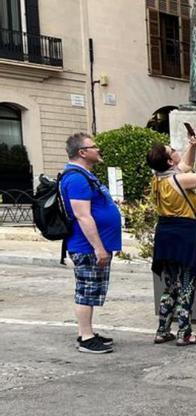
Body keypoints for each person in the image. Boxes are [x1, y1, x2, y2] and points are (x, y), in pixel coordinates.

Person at [146, 136, 196, 347]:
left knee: (171, 286)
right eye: (173, 151)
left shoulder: (158, 178)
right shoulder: (180, 180)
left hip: (165, 234)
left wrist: (191, 145)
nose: (177, 151)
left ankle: (162, 330)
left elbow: (185, 165)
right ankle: (185, 333)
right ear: (170, 161)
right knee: (187, 284)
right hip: (185, 235)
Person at [61, 133, 122, 354]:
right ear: (82, 152)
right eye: (94, 146)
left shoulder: (84, 176)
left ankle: (88, 332)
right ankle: (85, 337)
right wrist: (98, 247)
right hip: (86, 247)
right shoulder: (76, 178)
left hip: (92, 246)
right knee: (86, 290)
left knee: (92, 290)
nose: (99, 150)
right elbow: (82, 216)